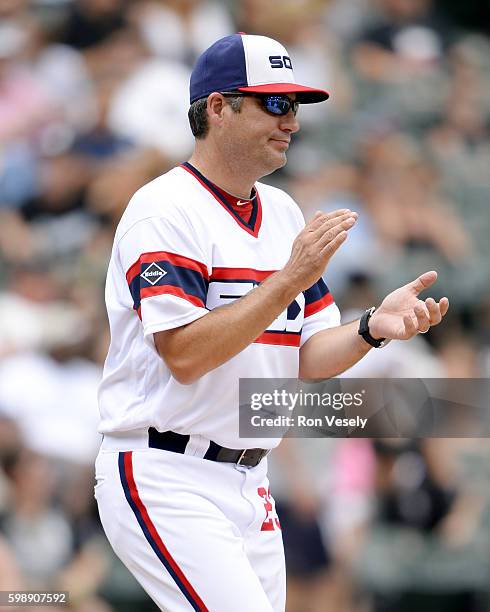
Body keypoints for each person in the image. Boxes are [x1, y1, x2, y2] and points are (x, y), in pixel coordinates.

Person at [94, 33, 449, 612]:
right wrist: (286, 278)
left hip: (248, 478)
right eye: (276, 103)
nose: (293, 121)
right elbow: (182, 355)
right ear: (217, 107)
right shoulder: (163, 209)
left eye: (296, 106)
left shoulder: (281, 211)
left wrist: (371, 328)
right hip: (165, 470)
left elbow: (306, 357)